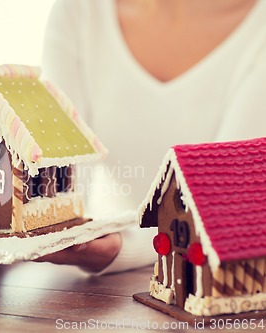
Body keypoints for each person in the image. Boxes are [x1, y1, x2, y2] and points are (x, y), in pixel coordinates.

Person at [37, 0, 266, 274]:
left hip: (208, 279)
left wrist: (125, 245)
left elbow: (226, 207)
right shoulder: (80, 11)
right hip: (94, 281)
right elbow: (62, 181)